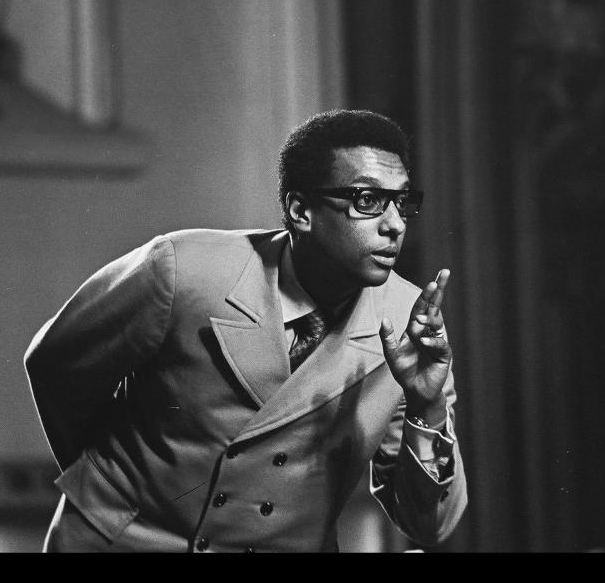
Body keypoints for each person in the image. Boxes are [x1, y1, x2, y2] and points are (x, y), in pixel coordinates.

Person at [24, 109, 467, 552]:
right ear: (300, 211)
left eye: (403, 202)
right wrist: (110, 490)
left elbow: (430, 525)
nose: (395, 225)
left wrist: (426, 406)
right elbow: (55, 365)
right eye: (367, 200)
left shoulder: (411, 322)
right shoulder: (184, 269)